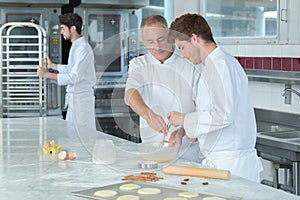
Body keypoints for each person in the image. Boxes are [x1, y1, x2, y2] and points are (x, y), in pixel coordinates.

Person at [167, 13, 263, 182]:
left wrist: (184, 119)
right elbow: (212, 113)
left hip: (231, 165)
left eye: (181, 47)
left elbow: (223, 115)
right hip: (221, 162)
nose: (182, 55)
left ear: (194, 38)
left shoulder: (221, 66)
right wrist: (192, 130)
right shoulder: (212, 66)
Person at [124, 15, 202, 162]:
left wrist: (183, 131)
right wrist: (148, 115)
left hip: (187, 152)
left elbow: (202, 108)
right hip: (151, 151)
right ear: (143, 41)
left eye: (161, 39)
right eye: (150, 42)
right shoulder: (139, 64)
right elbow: (130, 94)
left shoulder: (190, 63)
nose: (157, 47)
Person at [37, 13, 96, 130]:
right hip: (76, 100)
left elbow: (74, 77)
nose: (61, 32)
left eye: (63, 28)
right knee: (73, 135)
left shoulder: (82, 48)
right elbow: (71, 69)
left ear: (73, 28)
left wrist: (46, 74)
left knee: (81, 138)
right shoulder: (76, 46)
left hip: (81, 101)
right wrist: (53, 66)